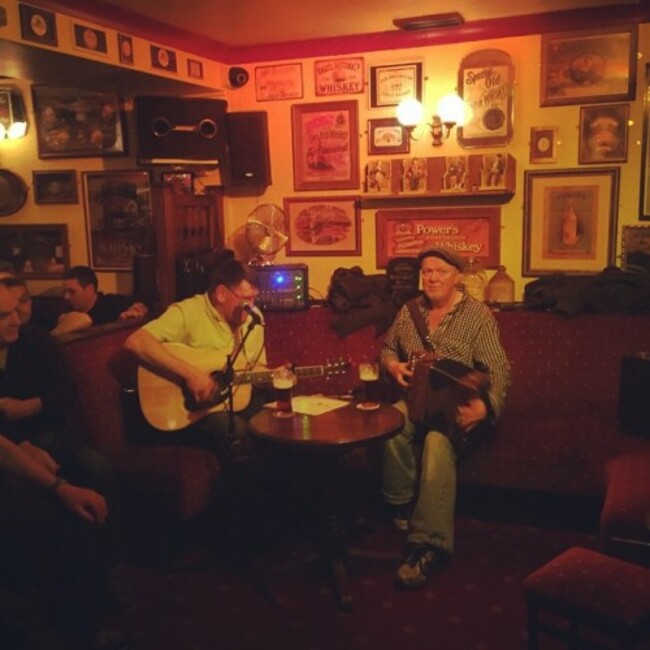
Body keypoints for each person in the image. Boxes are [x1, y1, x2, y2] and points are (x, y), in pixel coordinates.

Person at [0, 280, 125, 649]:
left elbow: (64, 394)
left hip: (43, 432)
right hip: (18, 444)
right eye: (3, 315)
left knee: (96, 467)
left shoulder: (36, 341)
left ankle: (110, 567)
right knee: (55, 516)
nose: (15, 321)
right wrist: (24, 450)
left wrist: (27, 409)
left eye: (16, 310)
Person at [380, 247, 510, 589]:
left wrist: (485, 407)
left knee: (437, 443)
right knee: (390, 422)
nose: (432, 278)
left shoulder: (477, 315)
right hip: (417, 401)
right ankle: (401, 505)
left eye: (440, 271)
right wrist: (392, 366)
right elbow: (388, 348)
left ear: (457, 275)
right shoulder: (409, 312)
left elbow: (498, 368)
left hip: (456, 408)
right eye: (426, 272)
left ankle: (428, 545)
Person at [52, 265, 148, 336]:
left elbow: (145, 298)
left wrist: (136, 308)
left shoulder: (110, 303)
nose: (66, 297)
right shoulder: (65, 308)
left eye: (72, 291)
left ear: (90, 289)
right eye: (65, 292)